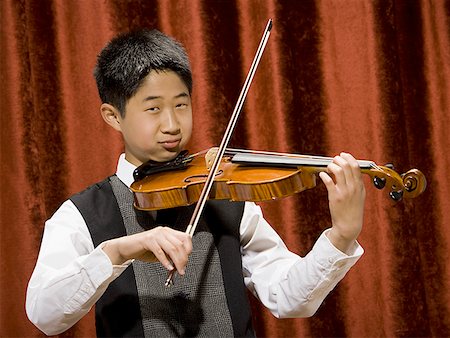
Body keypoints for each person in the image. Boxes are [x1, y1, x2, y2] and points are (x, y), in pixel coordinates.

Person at [26, 29, 365, 337]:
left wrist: (341, 236)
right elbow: (45, 314)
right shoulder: (81, 215)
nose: (172, 124)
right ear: (113, 116)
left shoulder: (228, 197)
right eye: (153, 109)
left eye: (181, 104)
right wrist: (118, 250)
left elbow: (290, 298)